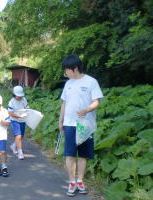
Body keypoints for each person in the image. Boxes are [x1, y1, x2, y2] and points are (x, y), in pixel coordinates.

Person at [58, 54, 103, 197]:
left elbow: (97, 102)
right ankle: (72, 182)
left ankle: (80, 181)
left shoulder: (91, 82)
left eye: (67, 70)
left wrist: (87, 110)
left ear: (75, 68)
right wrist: (60, 121)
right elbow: (64, 103)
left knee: (83, 155)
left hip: (85, 125)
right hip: (69, 124)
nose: (65, 72)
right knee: (70, 154)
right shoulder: (68, 84)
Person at [8, 85, 29, 160]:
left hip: (22, 120)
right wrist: (18, 116)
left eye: (21, 96)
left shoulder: (24, 99)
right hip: (14, 120)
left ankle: (14, 145)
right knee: (18, 136)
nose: (20, 97)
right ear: (14, 94)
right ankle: (20, 152)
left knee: (22, 136)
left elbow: (27, 108)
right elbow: (10, 113)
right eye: (18, 96)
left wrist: (26, 113)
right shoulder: (11, 102)